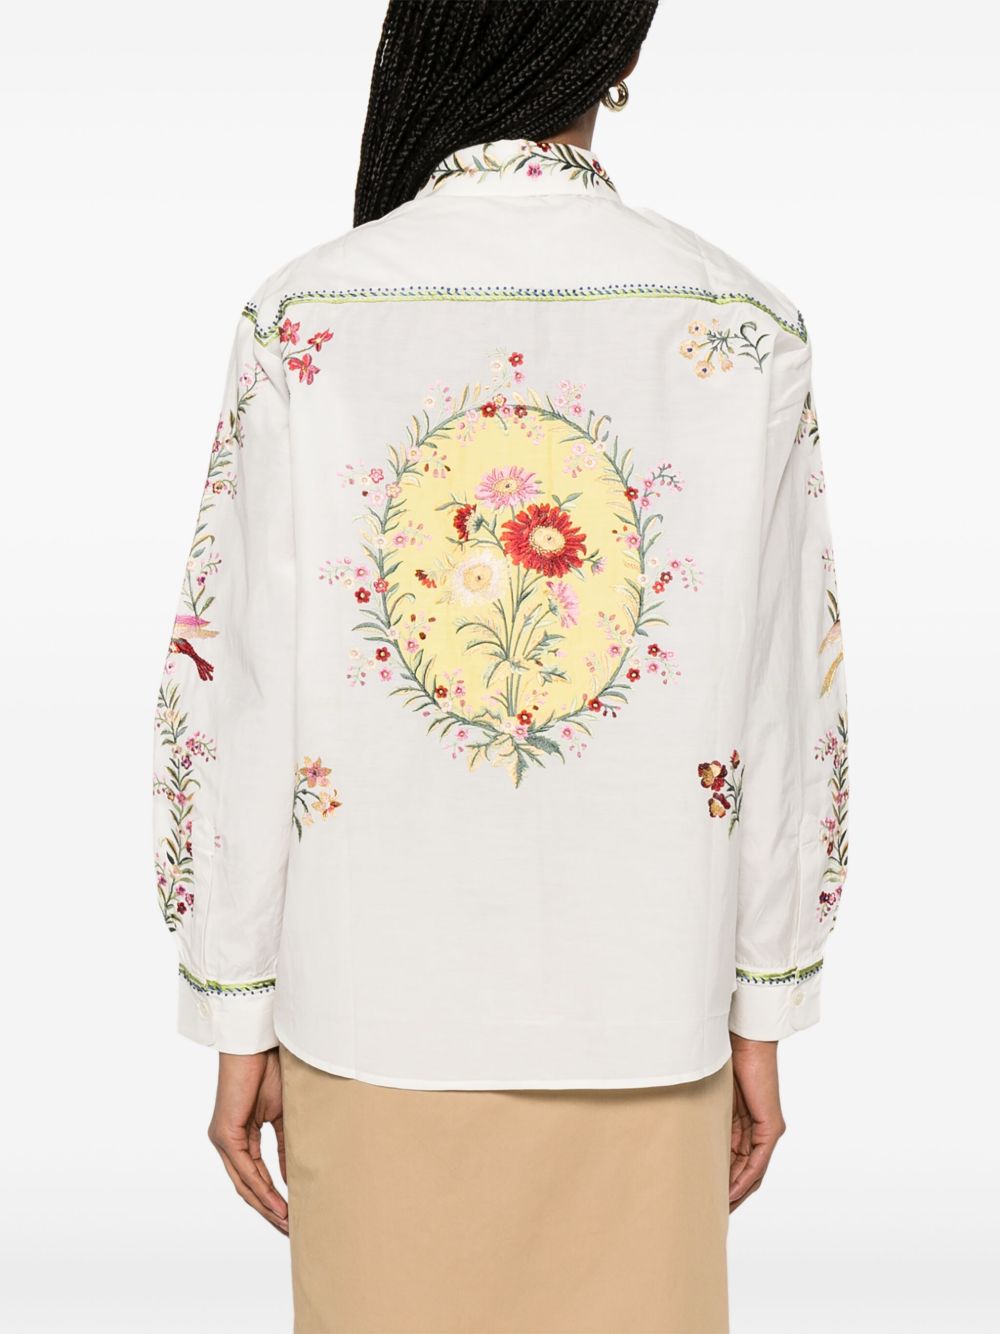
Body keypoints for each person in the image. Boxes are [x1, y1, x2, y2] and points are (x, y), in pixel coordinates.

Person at [152, 2, 849, 1330]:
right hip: (649, 1012)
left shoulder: (308, 313)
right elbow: (788, 699)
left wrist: (236, 1004)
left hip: (369, 1013)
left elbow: (232, 688)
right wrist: (767, 998)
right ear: (620, 59)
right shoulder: (742, 322)